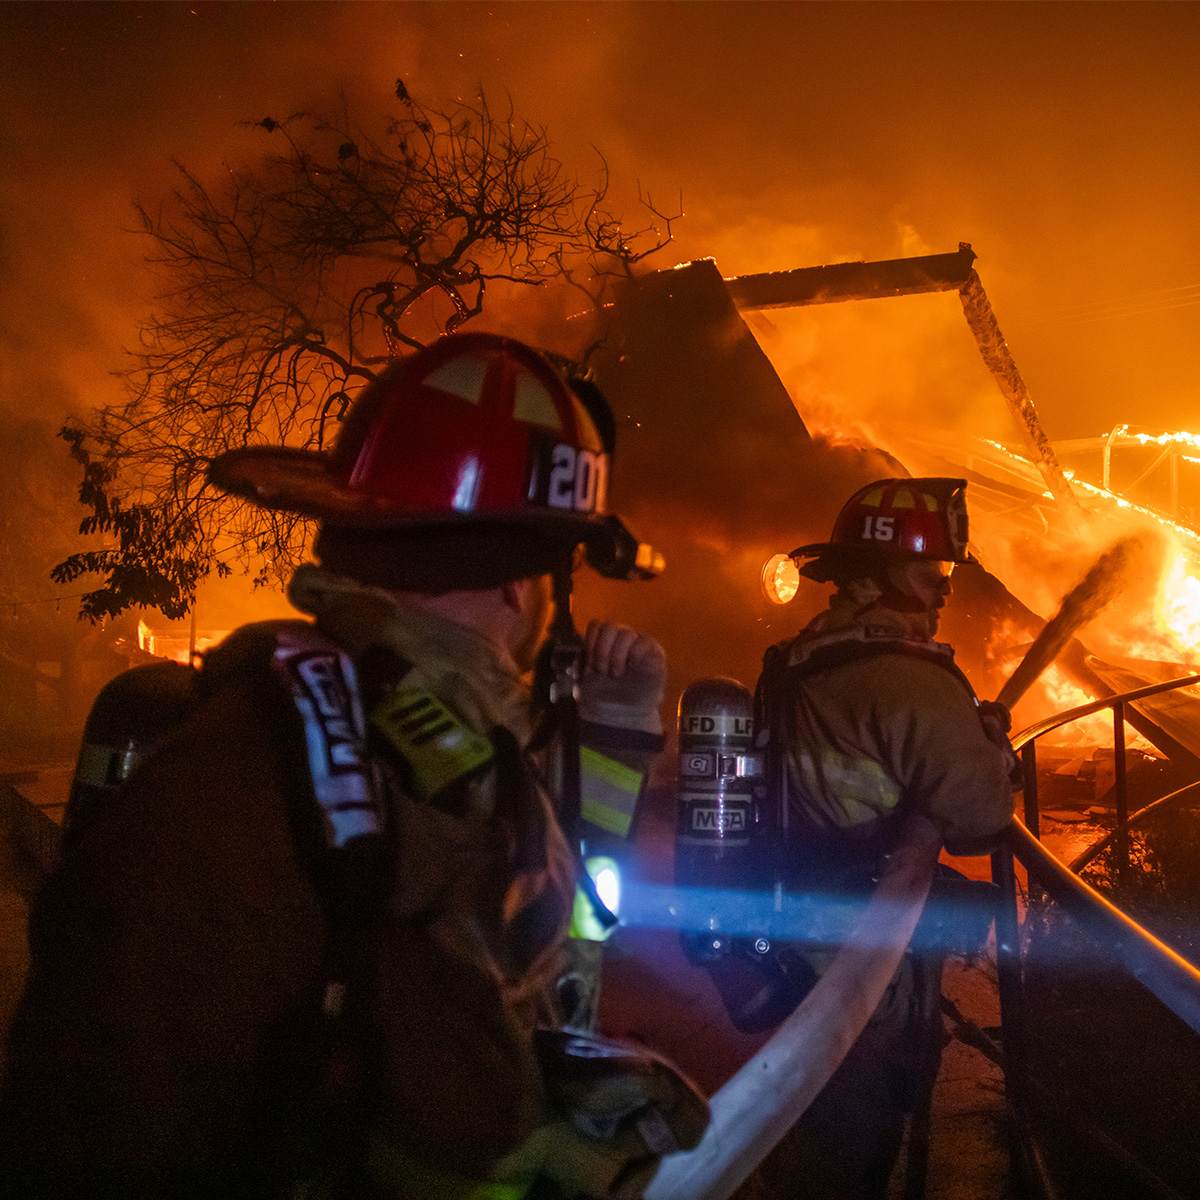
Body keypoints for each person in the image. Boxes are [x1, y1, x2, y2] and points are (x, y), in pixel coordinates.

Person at [0, 333, 706, 1199]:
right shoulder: (271, 781)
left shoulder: (430, 746)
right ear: (526, 586)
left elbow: (548, 961)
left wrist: (618, 731)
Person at [750, 476, 1017, 1200]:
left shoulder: (806, 657)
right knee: (852, 1131)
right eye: (930, 570)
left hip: (797, 926)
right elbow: (979, 815)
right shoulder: (906, 677)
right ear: (883, 574)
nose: (943, 588)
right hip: (864, 943)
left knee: (808, 1115)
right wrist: (995, 751)